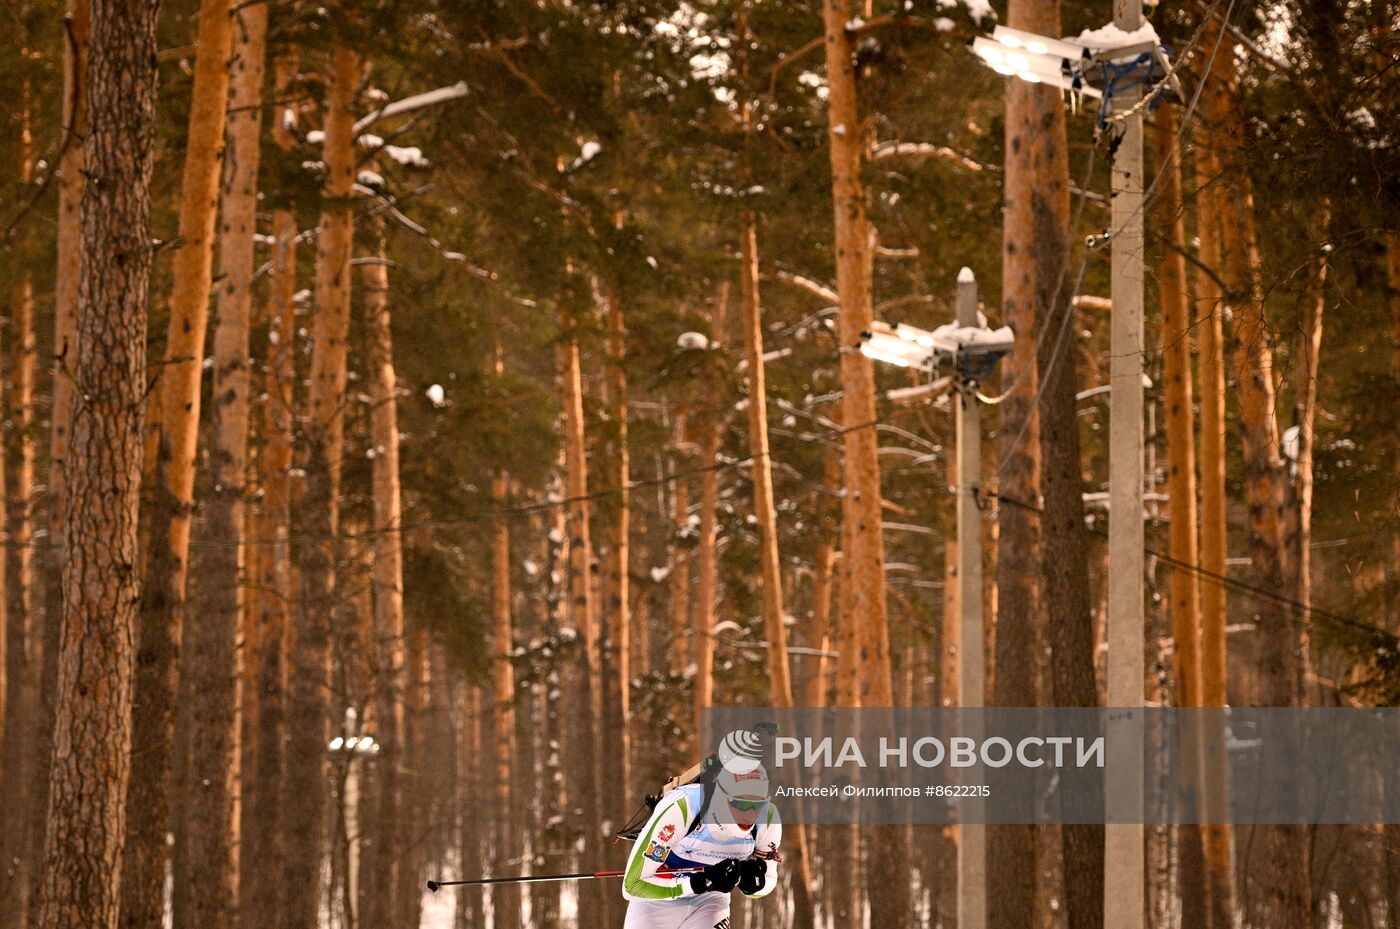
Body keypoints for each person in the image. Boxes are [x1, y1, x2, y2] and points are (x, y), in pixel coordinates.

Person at [621, 757, 780, 929]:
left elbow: (769, 880)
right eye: (741, 804)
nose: (750, 815)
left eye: (758, 805)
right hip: (656, 898)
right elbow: (632, 885)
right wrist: (695, 883)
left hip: (710, 900)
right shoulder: (683, 807)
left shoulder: (768, 819)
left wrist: (752, 885)